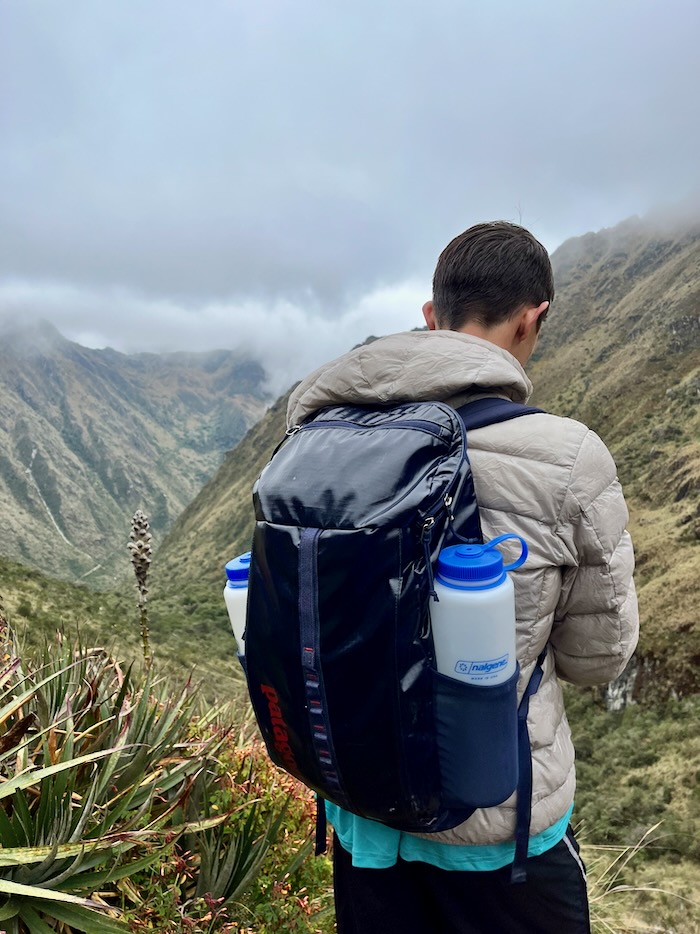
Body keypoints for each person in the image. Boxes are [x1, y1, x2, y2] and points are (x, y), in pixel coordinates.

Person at [285, 221, 639, 934]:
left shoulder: (317, 436)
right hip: (502, 830)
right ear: (533, 317)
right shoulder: (569, 458)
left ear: (429, 317)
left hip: (364, 820)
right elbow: (596, 660)